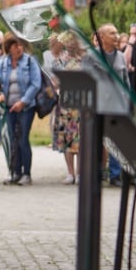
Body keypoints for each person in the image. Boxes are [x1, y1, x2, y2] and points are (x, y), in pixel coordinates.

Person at [0, 32, 41, 186]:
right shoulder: (3, 63)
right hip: (9, 107)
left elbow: (36, 84)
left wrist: (23, 101)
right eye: (16, 45)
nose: (19, 48)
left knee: (23, 139)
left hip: (26, 107)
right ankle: (15, 172)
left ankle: (26, 174)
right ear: (9, 48)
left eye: (21, 44)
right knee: (12, 140)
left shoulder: (29, 62)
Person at [94, 23, 128, 186]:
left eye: (117, 33)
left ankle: (115, 176)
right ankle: (97, 174)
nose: (117, 36)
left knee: (116, 142)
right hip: (98, 107)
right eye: (112, 33)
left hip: (117, 106)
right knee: (97, 141)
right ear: (102, 37)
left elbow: (126, 80)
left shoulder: (121, 56)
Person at [51, 31, 84, 184]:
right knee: (66, 139)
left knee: (80, 139)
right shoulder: (59, 60)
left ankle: (79, 173)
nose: (70, 44)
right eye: (67, 41)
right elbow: (54, 81)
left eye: (73, 41)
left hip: (81, 104)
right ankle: (70, 172)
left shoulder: (84, 59)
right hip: (65, 104)